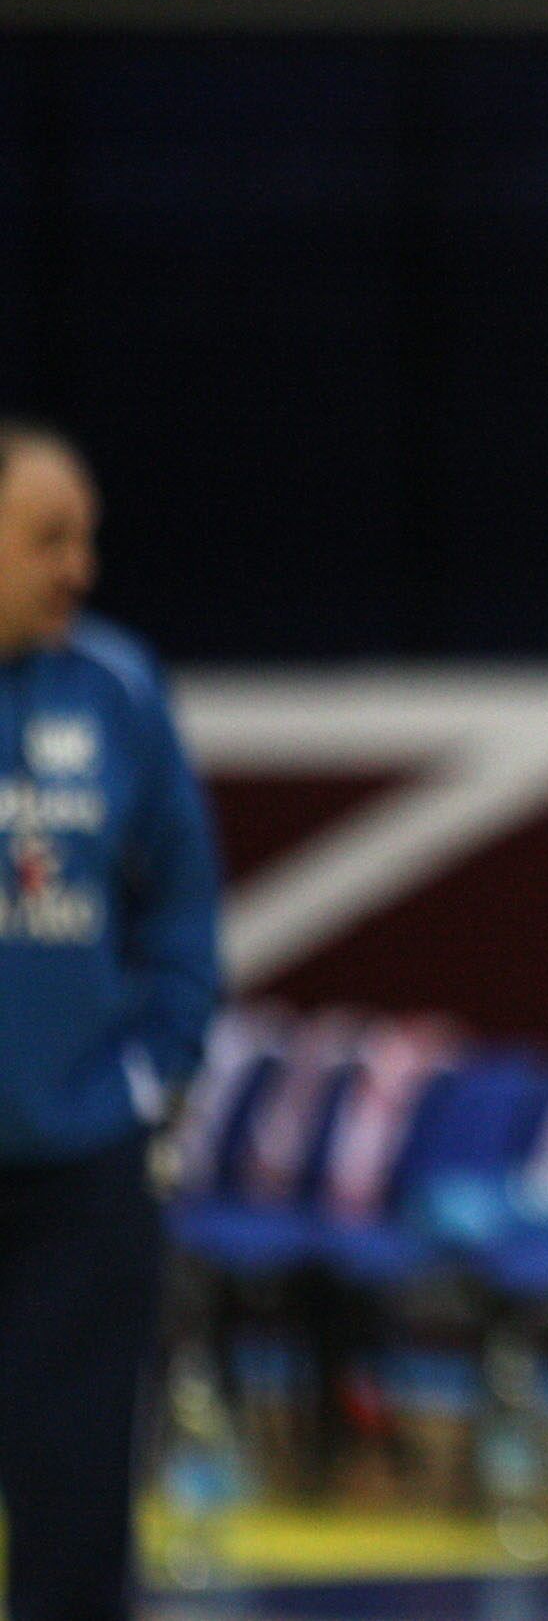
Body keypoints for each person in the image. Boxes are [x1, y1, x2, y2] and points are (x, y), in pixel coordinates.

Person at [0, 421, 222, 1621]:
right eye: (48, 539)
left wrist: (149, 1073)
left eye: (84, 537)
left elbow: (183, 912)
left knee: (76, 1533)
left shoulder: (119, 689)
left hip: (79, 1187)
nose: (77, 566)